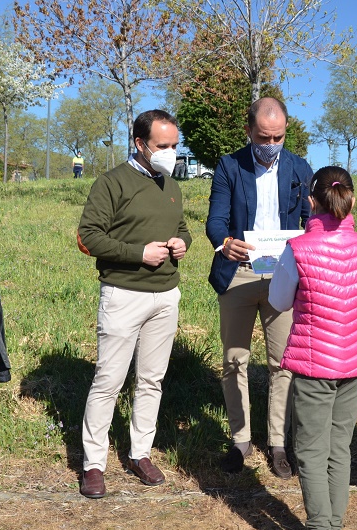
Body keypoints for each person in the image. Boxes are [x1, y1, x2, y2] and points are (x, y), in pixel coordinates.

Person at [268, 166, 357, 530]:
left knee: (311, 452)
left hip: (315, 364)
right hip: (355, 362)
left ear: (311, 201)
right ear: (350, 201)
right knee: (339, 450)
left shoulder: (298, 248)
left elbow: (279, 300)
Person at [76, 110, 191, 498]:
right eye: (163, 146)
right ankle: (93, 463)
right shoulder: (111, 183)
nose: (170, 153)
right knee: (109, 380)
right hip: (123, 294)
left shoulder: (172, 185)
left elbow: (181, 227)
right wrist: (137, 253)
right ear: (140, 144)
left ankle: (140, 452)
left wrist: (182, 243)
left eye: (175, 145)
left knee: (151, 380)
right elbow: (88, 237)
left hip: (166, 295)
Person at [206, 97, 312, 479]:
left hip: (283, 274)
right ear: (249, 130)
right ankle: (240, 440)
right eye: (264, 136)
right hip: (239, 272)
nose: (271, 143)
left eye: (278, 136)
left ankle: (279, 443)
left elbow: (310, 220)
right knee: (235, 360)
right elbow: (215, 219)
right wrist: (224, 243)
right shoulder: (229, 166)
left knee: (282, 362)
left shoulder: (300, 168)